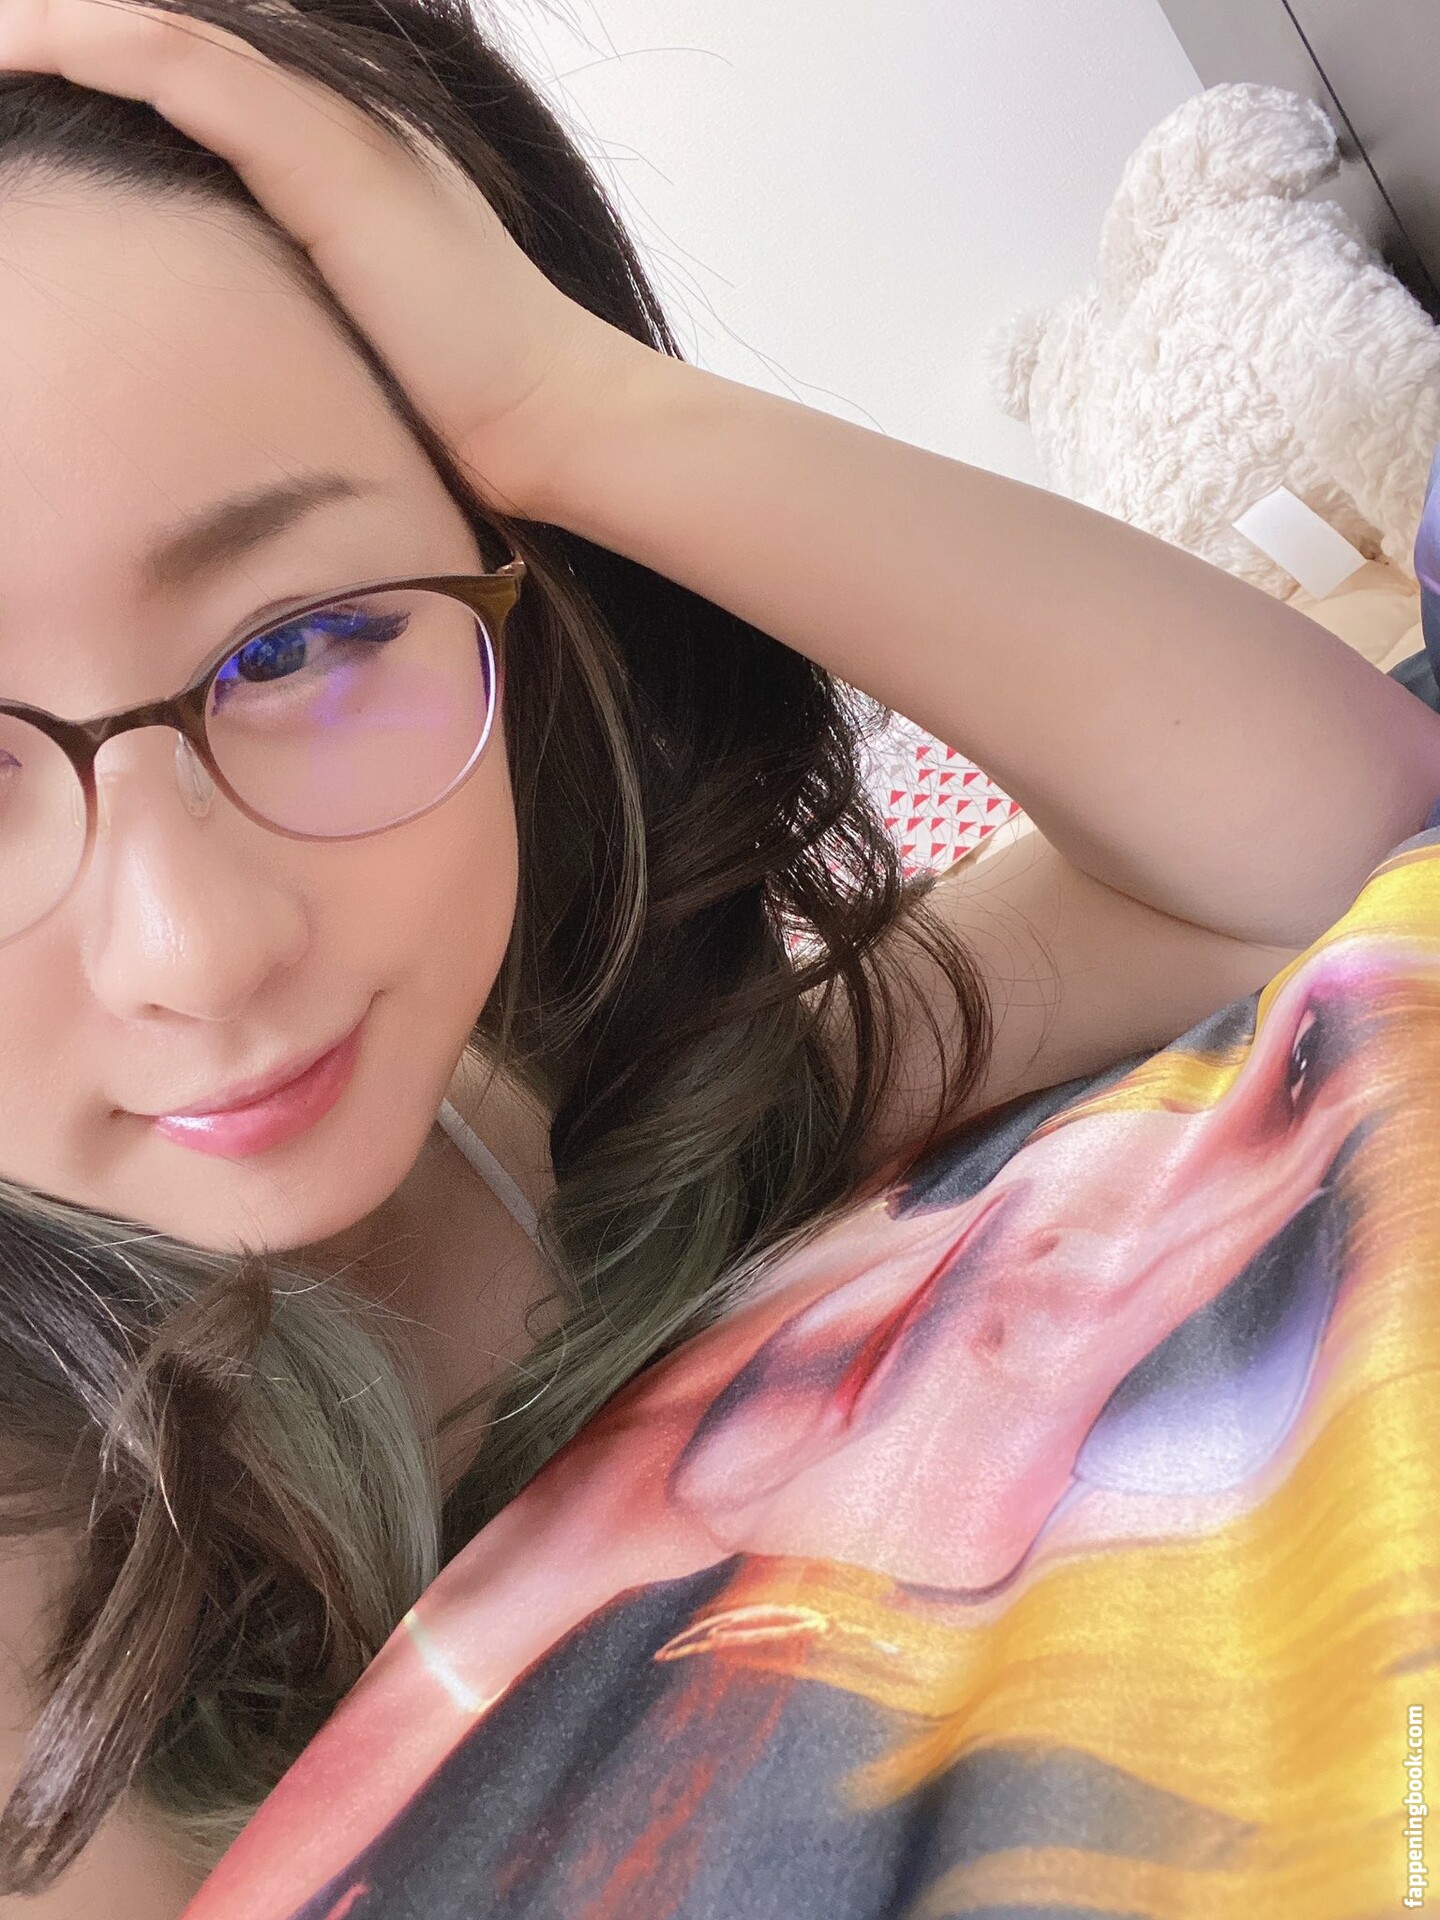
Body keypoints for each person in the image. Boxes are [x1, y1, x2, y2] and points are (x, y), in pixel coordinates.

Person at [0, 3, 1433, 1916]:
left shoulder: (536, 1126)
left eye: (302, 642)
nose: (202, 948)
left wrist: (574, 410)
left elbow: (1315, 848)